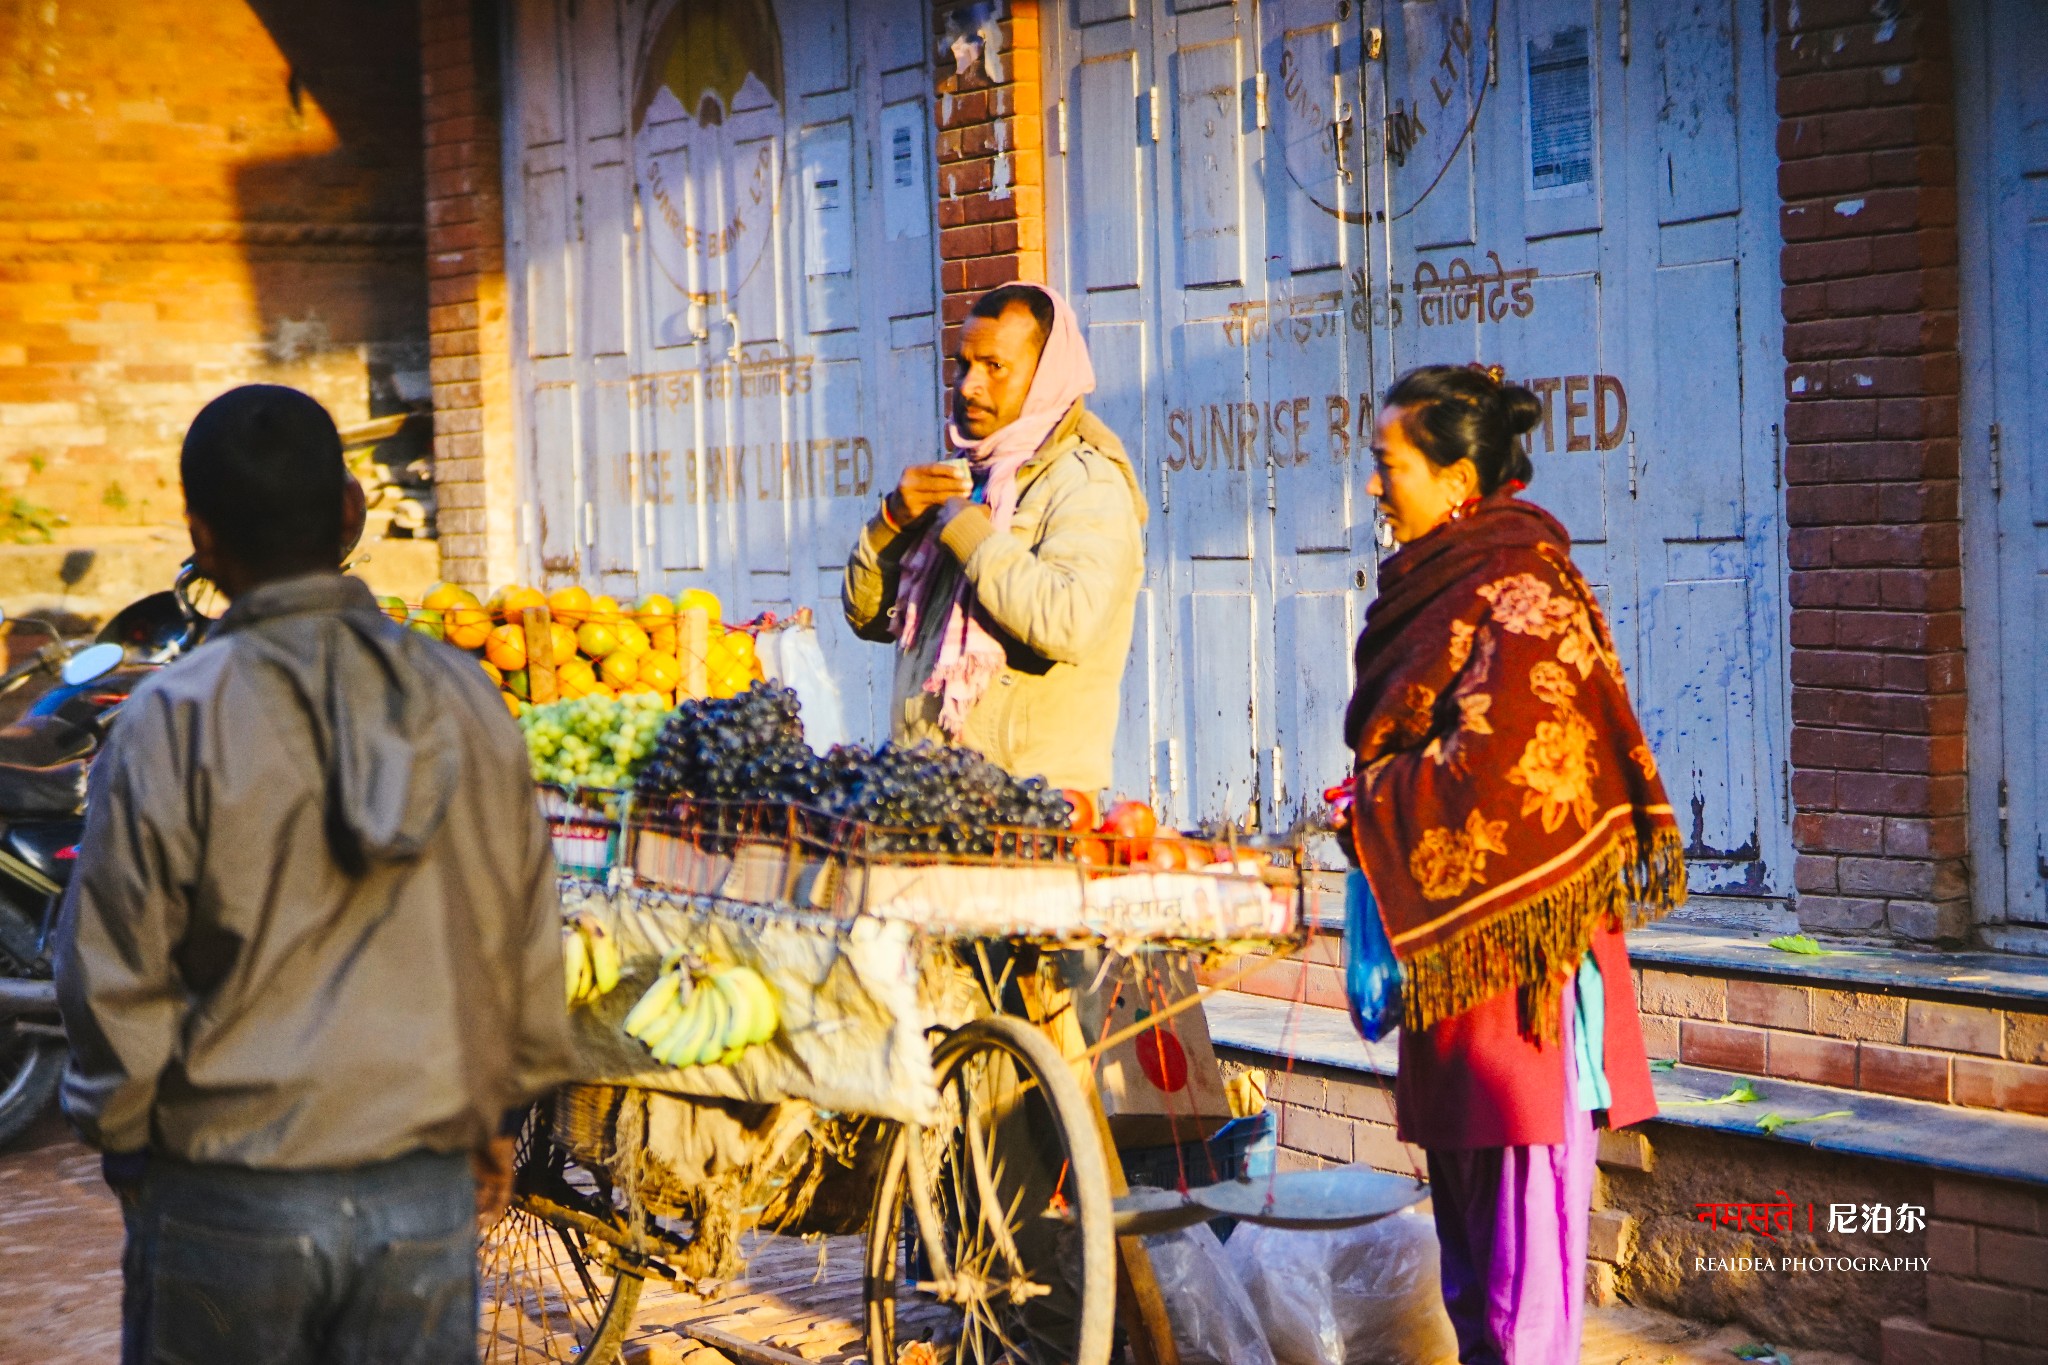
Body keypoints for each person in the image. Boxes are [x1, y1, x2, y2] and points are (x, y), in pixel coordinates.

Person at [53, 384, 575, 1365]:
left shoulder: (171, 720)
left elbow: (111, 968)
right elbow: (525, 931)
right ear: (349, 513)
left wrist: (132, 1143)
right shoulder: (462, 696)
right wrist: (502, 1113)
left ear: (201, 541)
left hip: (227, 1190)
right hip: (420, 1193)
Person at [1341, 365, 1685, 1363]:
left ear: (1454, 479)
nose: (1372, 486)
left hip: (1525, 981)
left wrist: (1367, 802)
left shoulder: (1522, 589)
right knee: (1468, 1275)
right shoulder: (1437, 584)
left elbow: (1510, 786)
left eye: (1386, 465)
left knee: (1520, 1292)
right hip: (1455, 968)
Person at [843, 281, 1144, 793]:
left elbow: (1066, 622)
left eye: (995, 367)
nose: (968, 386)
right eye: (964, 365)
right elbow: (869, 618)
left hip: (1028, 809)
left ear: (1046, 378)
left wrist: (967, 532)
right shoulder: (967, 477)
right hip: (929, 793)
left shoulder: (1085, 482)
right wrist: (891, 522)